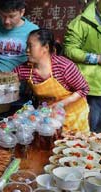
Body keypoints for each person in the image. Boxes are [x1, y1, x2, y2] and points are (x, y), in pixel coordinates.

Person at [14, 29, 90, 134]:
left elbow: (84, 89)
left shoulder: (64, 67)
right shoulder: (24, 69)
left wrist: (60, 104)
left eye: (30, 46)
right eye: (26, 46)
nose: (26, 50)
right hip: (49, 118)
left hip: (74, 116)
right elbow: (8, 80)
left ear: (45, 47)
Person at [64, 0, 101, 133]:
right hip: (93, 86)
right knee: (92, 130)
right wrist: (96, 58)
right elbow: (69, 49)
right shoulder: (81, 22)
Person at [0, 0, 39, 72]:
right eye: (3, 16)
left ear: (22, 12)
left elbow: (37, 62)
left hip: (21, 79)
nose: (6, 21)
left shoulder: (33, 30)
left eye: (11, 16)